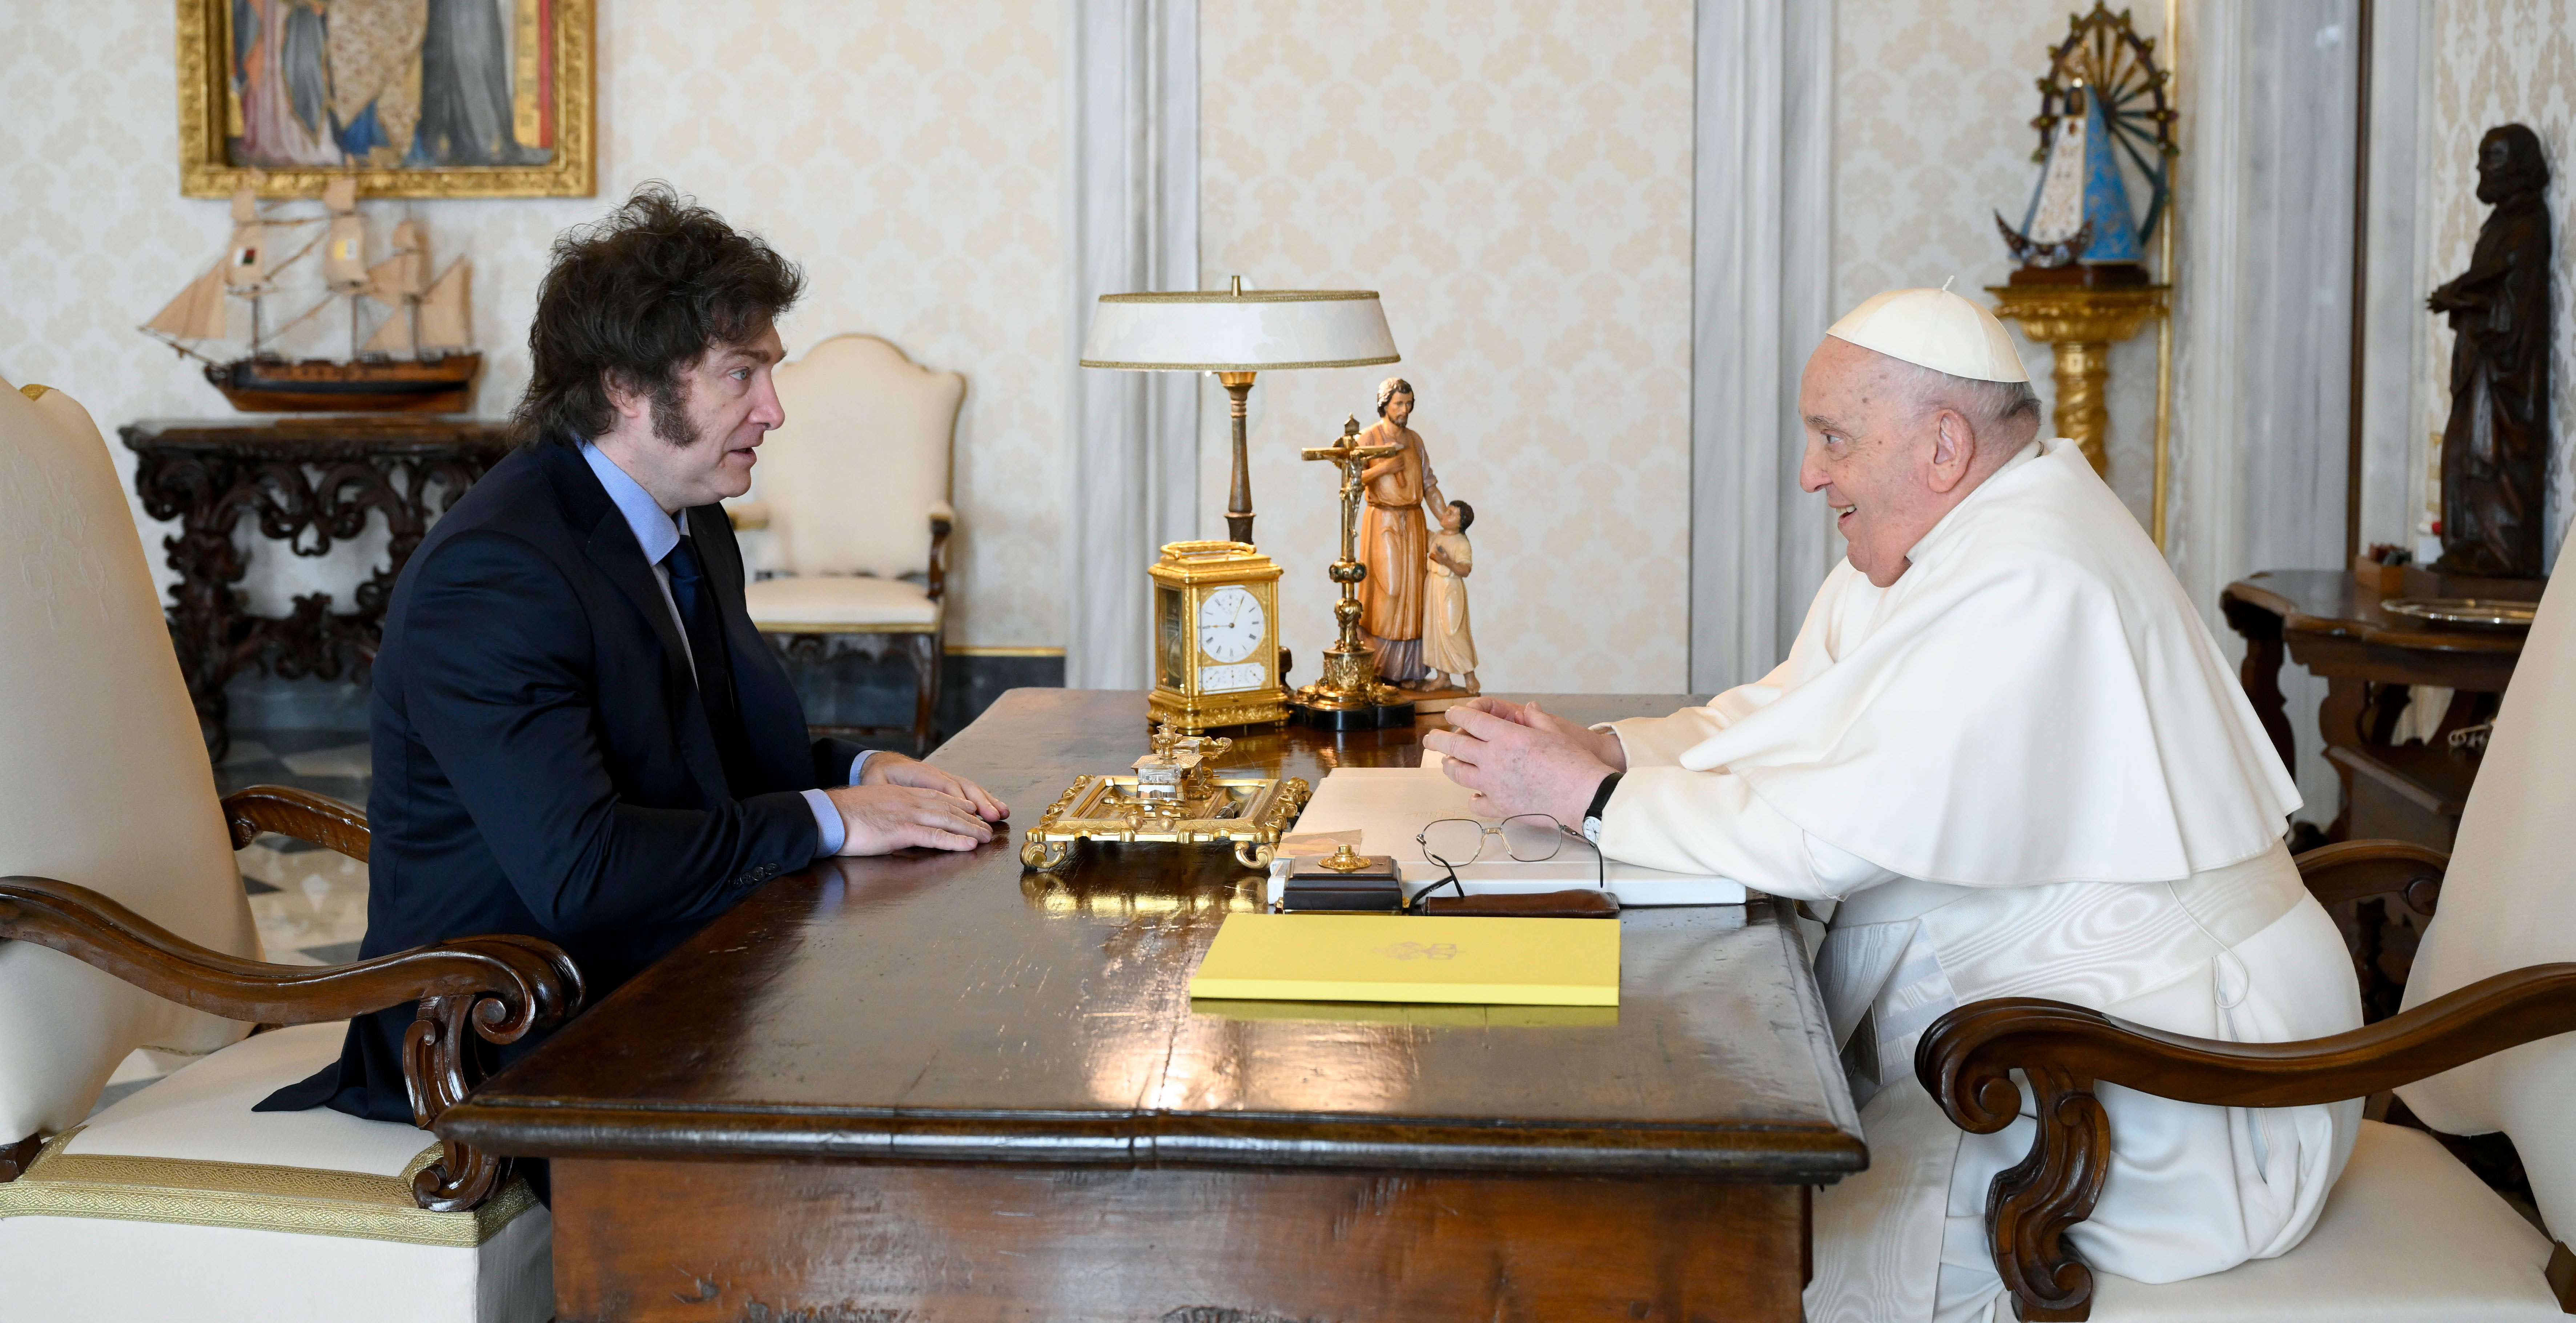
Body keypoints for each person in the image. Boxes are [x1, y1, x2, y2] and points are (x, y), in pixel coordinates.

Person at [1425, 286, 2362, 1322]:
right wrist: (1601, 749)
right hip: (2066, 1038)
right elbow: (1786, 716)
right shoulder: (1940, 545)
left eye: (1831, 438)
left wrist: (1593, 799)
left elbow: (1826, 835)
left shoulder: (2031, 576)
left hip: (2180, 1090)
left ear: (1941, 446)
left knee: (1770, 1252)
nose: (1807, 473)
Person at [261, 184, 1007, 1123]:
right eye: (742, 374)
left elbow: (706, 760)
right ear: (626, 385)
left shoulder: (691, 522)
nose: (774, 409)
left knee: (932, 1028)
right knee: (900, 1081)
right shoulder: (494, 575)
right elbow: (585, 872)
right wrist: (829, 816)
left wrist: (868, 773)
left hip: (658, 969)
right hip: (503, 1033)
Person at [1358, 378, 1443, 687]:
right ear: (1385, 405)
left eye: (1409, 404)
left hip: (1414, 520)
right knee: (1389, 589)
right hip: (1384, 519)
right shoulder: (1369, 437)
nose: (1405, 410)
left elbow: (1429, 483)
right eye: (1399, 404)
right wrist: (1383, 468)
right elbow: (1352, 480)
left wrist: (1445, 518)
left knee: (1414, 593)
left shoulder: (1415, 440)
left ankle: (1405, 671)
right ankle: (1376, 666)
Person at [1422, 498, 1478, 691]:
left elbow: (1465, 570)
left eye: (1451, 513)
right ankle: (1442, 677)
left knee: (1453, 631)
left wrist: (1447, 562)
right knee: (1434, 631)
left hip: (1451, 589)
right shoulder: (1436, 536)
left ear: (1461, 523)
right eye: (1447, 511)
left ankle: (1470, 676)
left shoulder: (1462, 543)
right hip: (1433, 585)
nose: (1445, 515)